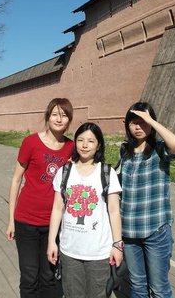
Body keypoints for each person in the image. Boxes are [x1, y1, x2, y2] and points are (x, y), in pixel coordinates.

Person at [6, 98, 75, 298]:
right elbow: (16, 180)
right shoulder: (31, 142)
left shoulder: (71, 147)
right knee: (29, 277)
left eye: (64, 115)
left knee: (49, 276)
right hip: (25, 220)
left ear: (69, 120)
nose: (59, 119)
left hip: (54, 223)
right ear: (47, 116)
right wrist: (11, 220)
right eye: (55, 114)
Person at [47, 122, 123, 298]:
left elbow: (113, 211)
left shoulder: (107, 172)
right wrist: (52, 242)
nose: (84, 145)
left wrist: (117, 246)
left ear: (98, 146)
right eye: (80, 140)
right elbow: (57, 209)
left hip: (99, 253)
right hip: (69, 251)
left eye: (90, 141)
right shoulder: (64, 172)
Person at [118, 102, 175, 298]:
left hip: (155, 230)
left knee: (159, 288)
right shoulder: (125, 151)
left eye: (143, 122)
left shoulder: (160, 150)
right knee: (137, 285)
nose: (138, 127)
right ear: (127, 125)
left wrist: (152, 121)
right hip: (129, 232)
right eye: (134, 122)